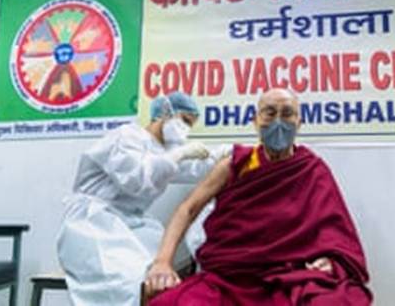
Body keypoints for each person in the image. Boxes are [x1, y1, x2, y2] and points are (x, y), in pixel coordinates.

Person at [145, 88, 372, 306]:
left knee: (342, 300)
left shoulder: (311, 169)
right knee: (172, 302)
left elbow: (335, 231)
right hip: (232, 279)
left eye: (287, 114)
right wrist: (163, 262)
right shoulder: (236, 164)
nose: (278, 122)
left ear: (299, 122)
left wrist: (332, 261)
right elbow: (188, 208)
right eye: (270, 113)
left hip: (291, 277)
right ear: (256, 121)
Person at [57, 91, 229, 306]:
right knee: (127, 281)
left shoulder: (163, 150)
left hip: (130, 222)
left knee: (165, 267)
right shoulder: (126, 136)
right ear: (165, 113)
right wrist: (179, 154)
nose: (185, 129)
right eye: (184, 120)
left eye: (190, 125)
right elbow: (136, 178)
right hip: (92, 224)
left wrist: (225, 154)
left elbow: (190, 168)